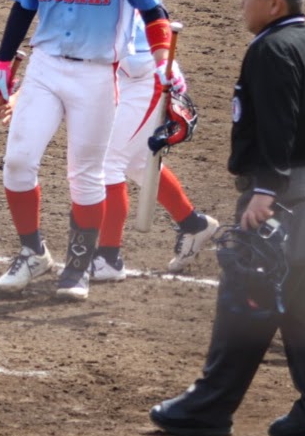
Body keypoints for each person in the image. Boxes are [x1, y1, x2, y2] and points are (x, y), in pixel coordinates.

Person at [149, 0, 305, 436]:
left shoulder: (272, 50)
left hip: (282, 198)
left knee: (247, 299)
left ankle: (208, 406)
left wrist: (266, 189)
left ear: (273, 2)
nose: (242, 4)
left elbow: (280, 123)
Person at [0, 0, 181, 301]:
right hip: (45, 68)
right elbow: (23, 9)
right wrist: (3, 61)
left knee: (86, 175)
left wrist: (162, 62)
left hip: (96, 75)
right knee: (18, 161)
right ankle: (33, 253)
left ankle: (78, 267)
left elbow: (155, 13)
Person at [91, 15, 219, 281]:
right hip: (124, 75)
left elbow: (152, 17)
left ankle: (108, 259)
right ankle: (194, 224)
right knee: (138, 163)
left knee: (110, 161)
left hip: (147, 76)